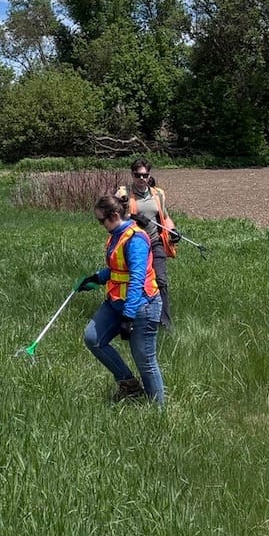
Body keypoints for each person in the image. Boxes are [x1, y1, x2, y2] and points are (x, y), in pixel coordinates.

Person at [77, 194, 165, 406]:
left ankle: (158, 411)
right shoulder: (116, 234)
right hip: (116, 301)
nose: (100, 224)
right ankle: (129, 385)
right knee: (92, 338)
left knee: (145, 361)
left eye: (101, 220)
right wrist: (97, 278)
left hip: (142, 306)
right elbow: (118, 267)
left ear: (114, 215)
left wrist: (128, 316)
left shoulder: (135, 240)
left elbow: (136, 279)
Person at [115, 158, 176, 329]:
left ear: (149, 175)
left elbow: (165, 217)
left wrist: (173, 231)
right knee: (136, 281)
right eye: (138, 175)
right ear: (132, 175)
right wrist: (132, 217)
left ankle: (164, 322)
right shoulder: (123, 194)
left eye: (145, 175)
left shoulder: (158, 194)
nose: (141, 178)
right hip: (133, 243)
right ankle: (130, 318)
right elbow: (114, 217)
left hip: (155, 242)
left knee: (161, 281)